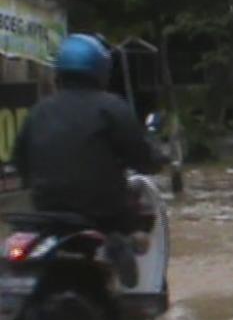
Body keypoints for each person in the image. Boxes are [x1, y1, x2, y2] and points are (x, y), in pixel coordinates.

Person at [13, 34, 168, 287]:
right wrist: (157, 159)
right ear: (101, 70)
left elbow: (20, 162)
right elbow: (142, 159)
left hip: (47, 211)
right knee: (137, 221)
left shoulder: (39, 111)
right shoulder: (112, 108)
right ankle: (123, 244)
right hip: (102, 212)